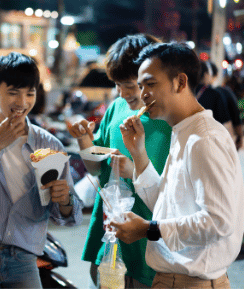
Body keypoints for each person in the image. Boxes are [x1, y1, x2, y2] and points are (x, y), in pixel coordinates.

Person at [112, 43, 244, 288]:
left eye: (150, 84)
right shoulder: (183, 132)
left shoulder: (203, 139)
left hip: (191, 282)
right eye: (141, 86)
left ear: (180, 82)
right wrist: (139, 153)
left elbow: (218, 222)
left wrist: (147, 229)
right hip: (174, 280)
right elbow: (169, 206)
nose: (143, 94)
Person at [0, 52, 83, 288]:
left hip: (24, 258)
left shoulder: (50, 145)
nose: (22, 102)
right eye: (13, 92)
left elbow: (70, 216)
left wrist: (64, 199)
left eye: (29, 93)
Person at [68, 34, 172, 288]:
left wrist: (135, 169)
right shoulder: (116, 108)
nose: (122, 92)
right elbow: (95, 169)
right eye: (117, 84)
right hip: (109, 229)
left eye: (129, 84)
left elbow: (177, 190)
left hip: (149, 233)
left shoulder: (169, 119)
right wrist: (85, 142)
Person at [208, 61, 244, 150]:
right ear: (216, 75)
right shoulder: (223, 92)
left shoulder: (192, 93)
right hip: (218, 142)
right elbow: (235, 117)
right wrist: (239, 137)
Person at [196, 61, 234, 136]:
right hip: (209, 138)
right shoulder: (214, 94)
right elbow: (226, 122)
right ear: (206, 75)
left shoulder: (185, 91)